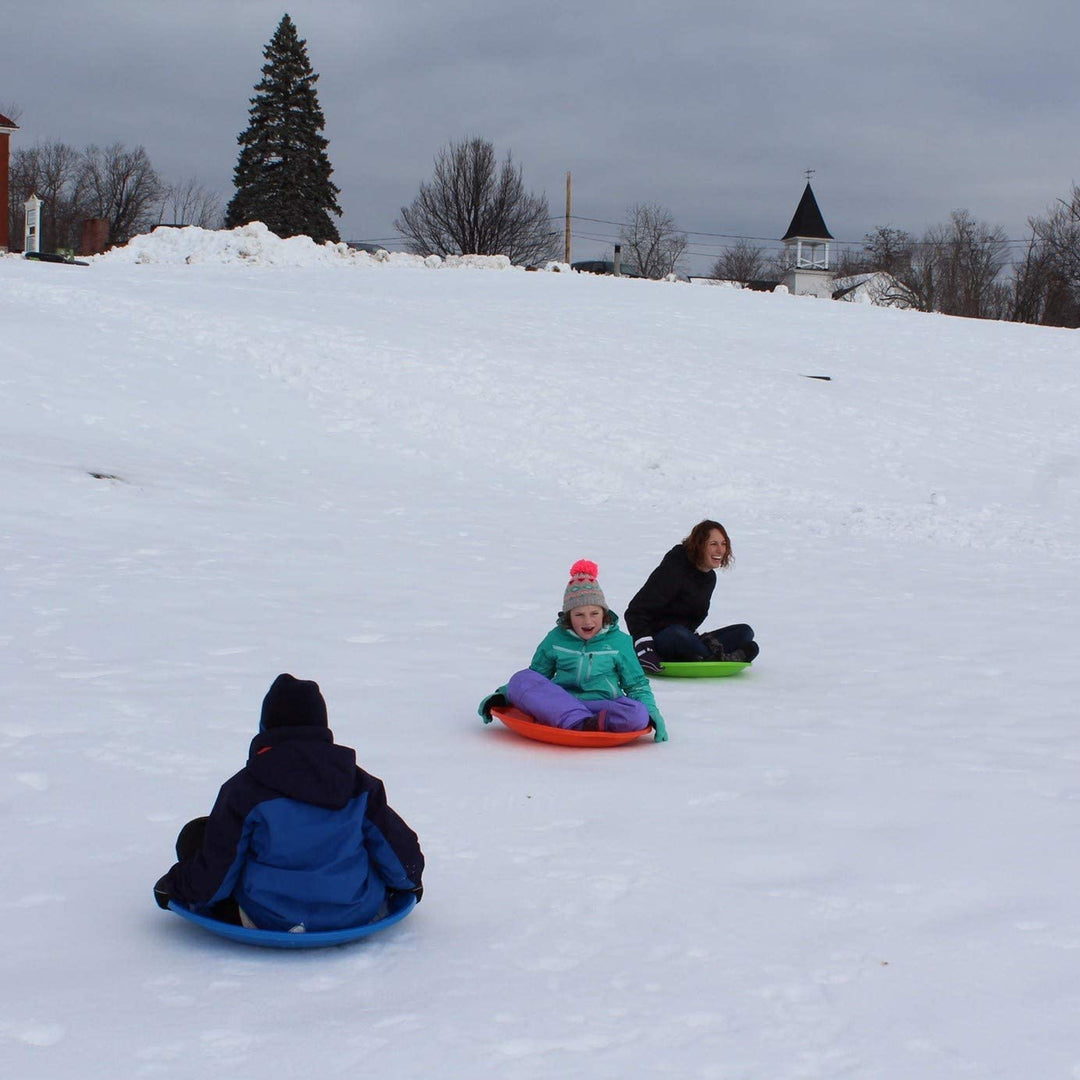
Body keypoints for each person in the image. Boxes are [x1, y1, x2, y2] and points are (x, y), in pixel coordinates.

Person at [154, 673, 424, 933]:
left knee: (197, 834)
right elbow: (400, 856)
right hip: (355, 912)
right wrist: (409, 883)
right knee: (364, 842)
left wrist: (176, 886)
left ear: (267, 727)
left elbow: (214, 878)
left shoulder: (244, 791)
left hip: (267, 917)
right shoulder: (359, 785)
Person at [478, 560, 668, 742]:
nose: (588, 621)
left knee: (637, 714)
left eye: (594, 613)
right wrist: (501, 695)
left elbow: (636, 685)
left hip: (602, 706)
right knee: (521, 678)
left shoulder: (620, 642)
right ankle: (580, 722)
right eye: (579, 615)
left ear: (604, 614)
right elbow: (535, 677)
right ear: (569, 617)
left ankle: (580, 723)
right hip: (561, 702)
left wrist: (652, 712)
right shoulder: (556, 639)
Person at [625, 520, 758, 672]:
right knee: (677, 633)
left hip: (688, 640)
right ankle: (715, 656)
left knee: (745, 632)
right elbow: (635, 611)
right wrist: (645, 649)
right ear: (700, 545)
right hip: (662, 640)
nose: (720, 550)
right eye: (713, 544)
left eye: (723, 544)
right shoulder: (675, 568)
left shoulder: (709, 578)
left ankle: (706, 655)